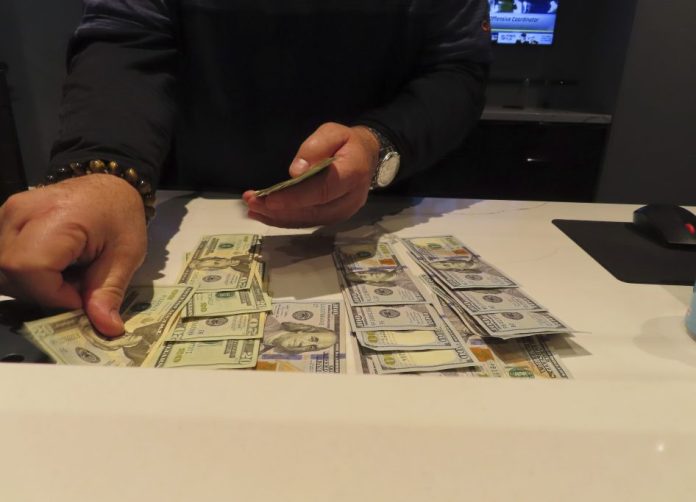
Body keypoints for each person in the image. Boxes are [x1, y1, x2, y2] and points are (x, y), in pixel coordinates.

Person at [0, 0, 491, 337]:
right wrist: (105, 171)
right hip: (188, 203)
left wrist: (379, 146)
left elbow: (456, 68)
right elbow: (127, 37)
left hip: (385, 205)